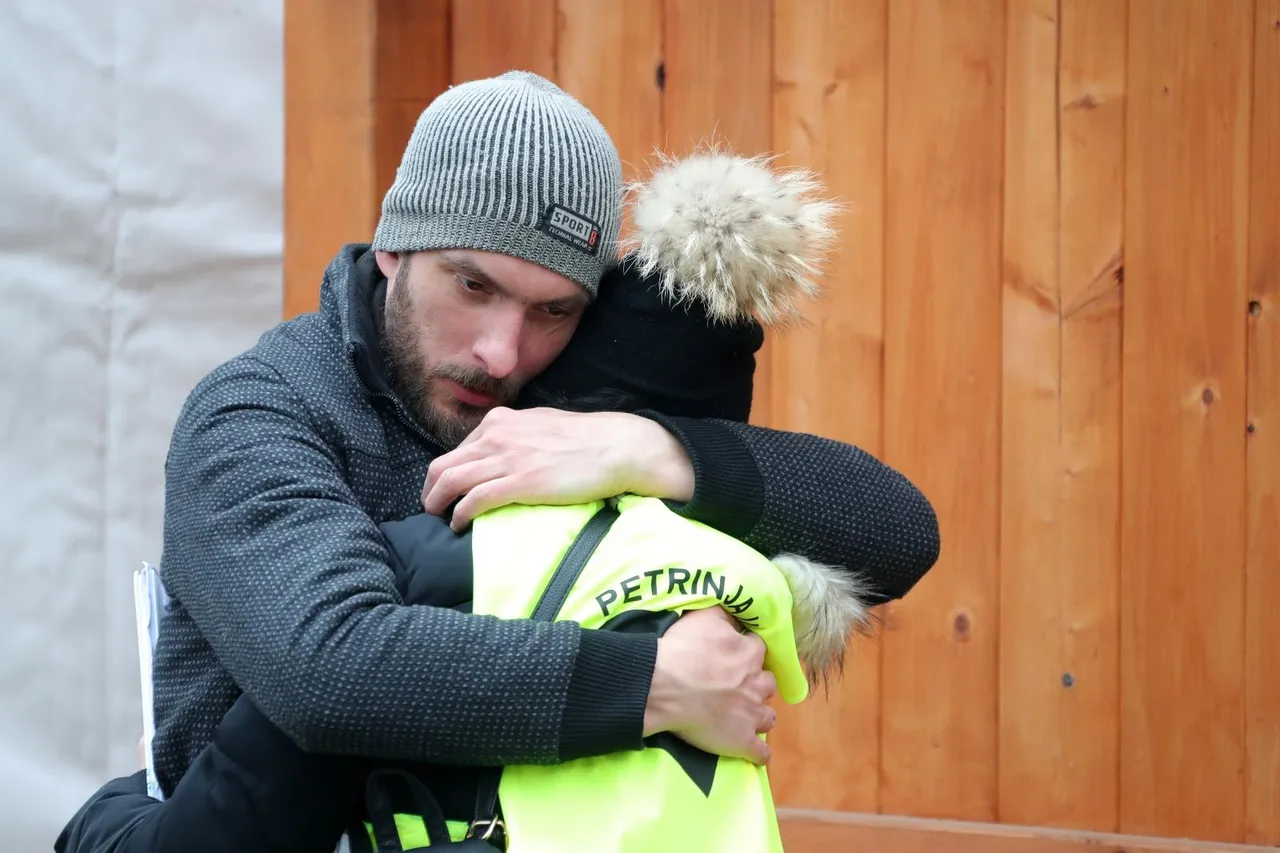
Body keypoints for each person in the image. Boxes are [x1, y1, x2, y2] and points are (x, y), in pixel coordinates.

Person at [146, 68, 938, 819]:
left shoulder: (570, 407)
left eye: (552, 311)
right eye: (472, 285)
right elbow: (327, 668)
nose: (502, 353)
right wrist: (658, 686)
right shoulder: (260, 409)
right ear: (394, 246)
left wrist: (646, 449)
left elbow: (898, 533)